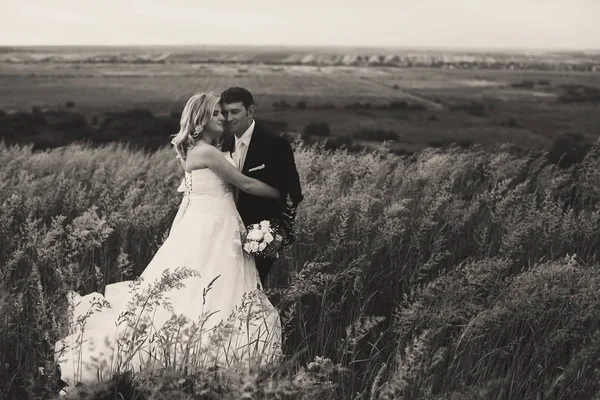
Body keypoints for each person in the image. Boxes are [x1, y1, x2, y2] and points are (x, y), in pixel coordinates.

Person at [55, 92, 282, 392]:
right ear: (201, 119)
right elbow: (246, 184)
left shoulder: (204, 150)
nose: (222, 118)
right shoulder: (208, 152)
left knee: (207, 286)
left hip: (210, 225)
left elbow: (194, 197)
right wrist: (284, 193)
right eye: (215, 113)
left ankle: (205, 354)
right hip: (212, 227)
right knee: (207, 287)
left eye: (223, 112)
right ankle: (199, 355)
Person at [220, 87, 303, 287]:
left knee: (253, 290)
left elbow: (293, 193)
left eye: (235, 112)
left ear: (250, 112)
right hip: (228, 233)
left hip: (261, 235)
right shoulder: (224, 143)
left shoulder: (274, 144)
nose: (228, 118)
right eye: (225, 112)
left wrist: (278, 233)